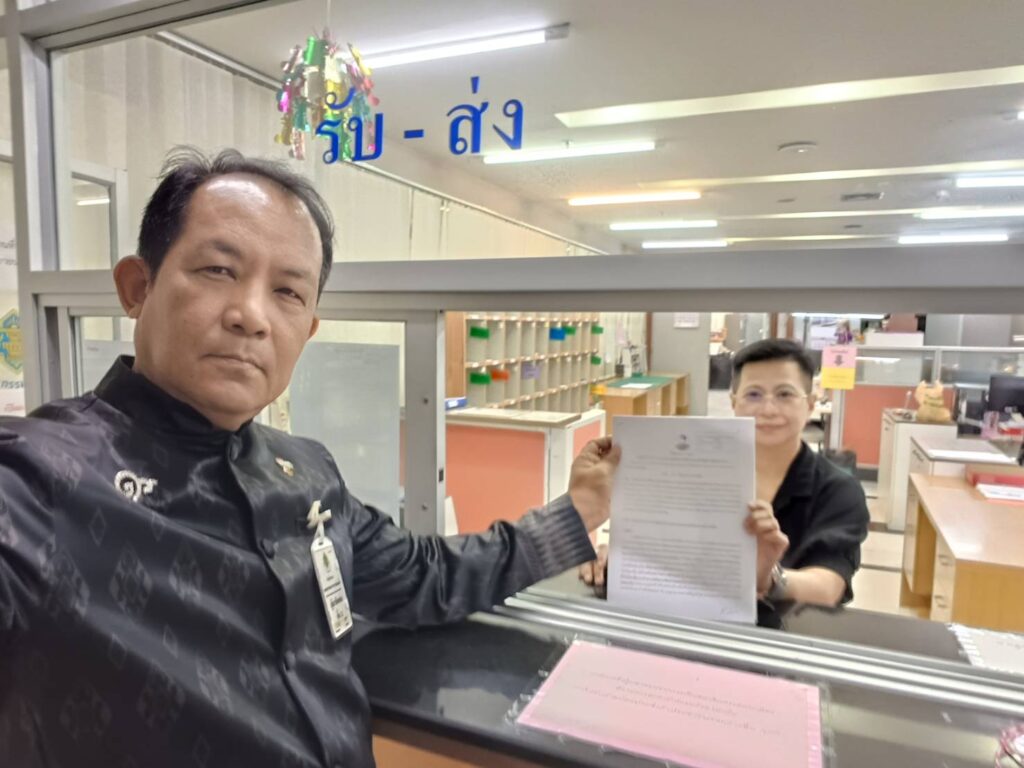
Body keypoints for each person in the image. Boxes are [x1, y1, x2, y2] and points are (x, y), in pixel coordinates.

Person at [0, 148, 622, 768]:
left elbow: (428, 575)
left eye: (288, 292)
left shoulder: (305, 474)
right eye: (218, 270)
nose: (251, 316)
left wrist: (579, 511)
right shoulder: (37, 480)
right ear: (138, 287)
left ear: (308, 329)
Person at [581, 338, 868, 608]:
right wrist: (619, 557)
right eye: (753, 394)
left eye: (785, 394)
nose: (768, 409)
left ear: (810, 403)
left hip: (785, 634)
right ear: (733, 402)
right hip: (689, 622)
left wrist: (769, 578)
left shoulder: (837, 490)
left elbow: (829, 587)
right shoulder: (690, 473)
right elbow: (658, 548)